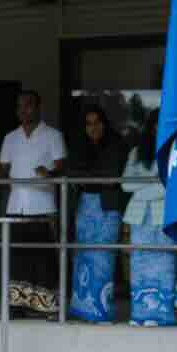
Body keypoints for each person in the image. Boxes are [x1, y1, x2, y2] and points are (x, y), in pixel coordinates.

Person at [0, 90, 66, 316]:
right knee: (18, 258)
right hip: (16, 205)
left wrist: (48, 171)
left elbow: (62, 167)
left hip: (43, 204)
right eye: (20, 106)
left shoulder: (53, 135)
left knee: (43, 258)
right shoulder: (10, 138)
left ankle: (47, 307)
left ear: (39, 107)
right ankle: (17, 306)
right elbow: (3, 170)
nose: (24, 110)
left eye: (29, 105)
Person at [67, 104, 125, 323]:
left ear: (105, 124)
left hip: (107, 208)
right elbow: (72, 172)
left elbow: (112, 175)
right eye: (89, 124)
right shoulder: (79, 147)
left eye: (97, 122)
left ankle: (101, 310)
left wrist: (88, 175)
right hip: (84, 207)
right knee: (84, 257)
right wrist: (92, 176)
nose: (93, 128)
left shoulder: (116, 144)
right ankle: (82, 308)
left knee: (103, 258)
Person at [121, 110, 176, 327]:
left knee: (163, 262)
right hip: (139, 214)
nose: (158, 129)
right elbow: (125, 184)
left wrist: (143, 186)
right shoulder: (137, 152)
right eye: (155, 125)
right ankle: (140, 313)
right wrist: (153, 183)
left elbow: (172, 188)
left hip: (163, 213)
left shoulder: (174, 152)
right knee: (140, 262)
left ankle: (162, 315)